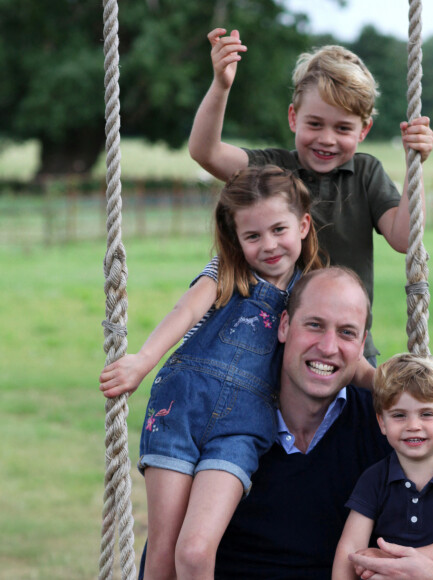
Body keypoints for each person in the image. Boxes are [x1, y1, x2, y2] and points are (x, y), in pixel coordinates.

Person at [136, 268, 433, 580]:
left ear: (362, 341)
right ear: (284, 326)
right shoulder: (225, 420)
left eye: (347, 332)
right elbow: (166, 554)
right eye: (314, 325)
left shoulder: (383, 423)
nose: (329, 347)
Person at [99, 165, 330, 580]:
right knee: (163, 558)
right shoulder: (227, 272)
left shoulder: (307, 293)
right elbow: (185, 311)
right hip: (179, 410)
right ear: (236, 239)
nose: (269, 245)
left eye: (279, 229)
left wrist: (378, 379)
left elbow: (327, 347)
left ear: (303, 225)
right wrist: (141, 361)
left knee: (195, 550)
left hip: (241, 429)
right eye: (253, 236)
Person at [188, 29, 433, 363]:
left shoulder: (366, 173)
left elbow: (404, 238)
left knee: (362, 412)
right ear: (293, 118)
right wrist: (221, 85)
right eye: (315, 124)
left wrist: (413, 166)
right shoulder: (272, 170)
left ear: (364, 131)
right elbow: (206, 152)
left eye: (343, 128)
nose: (327, 139)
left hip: (348, 348)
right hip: (273, 348)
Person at [332, 354, 433, 580]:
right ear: (382, 423)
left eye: (427, 414)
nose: (413, 426)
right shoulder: (374, 478)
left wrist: (389, 561)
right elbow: (349, 548)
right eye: (399, 415)